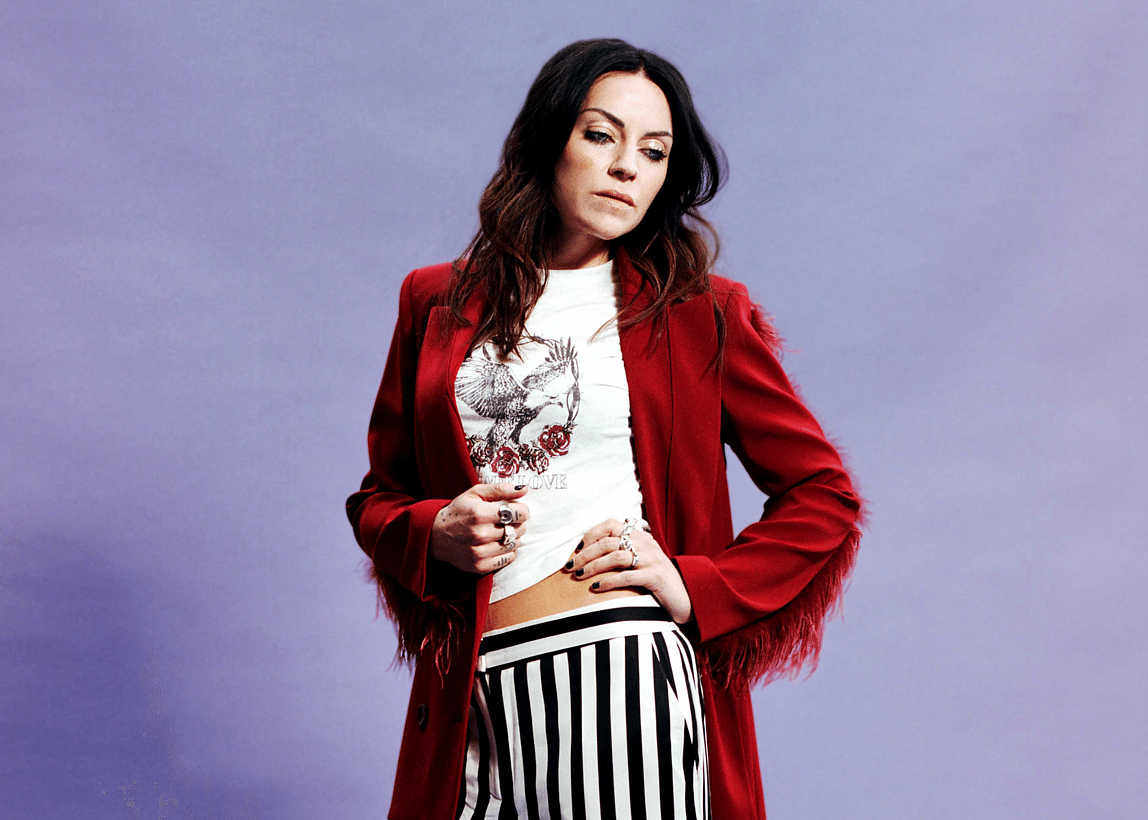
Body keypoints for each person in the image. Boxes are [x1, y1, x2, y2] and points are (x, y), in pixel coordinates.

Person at [346, 38, 863, 820]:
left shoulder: (698, 312)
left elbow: (823, 493)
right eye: (601, 135)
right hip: (466, 700)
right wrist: (437, 531)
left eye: (654, 152)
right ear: (548, 139)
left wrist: (694, 585)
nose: (626, 167)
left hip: (616, 674)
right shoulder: (435, 301)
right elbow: (379, 498)